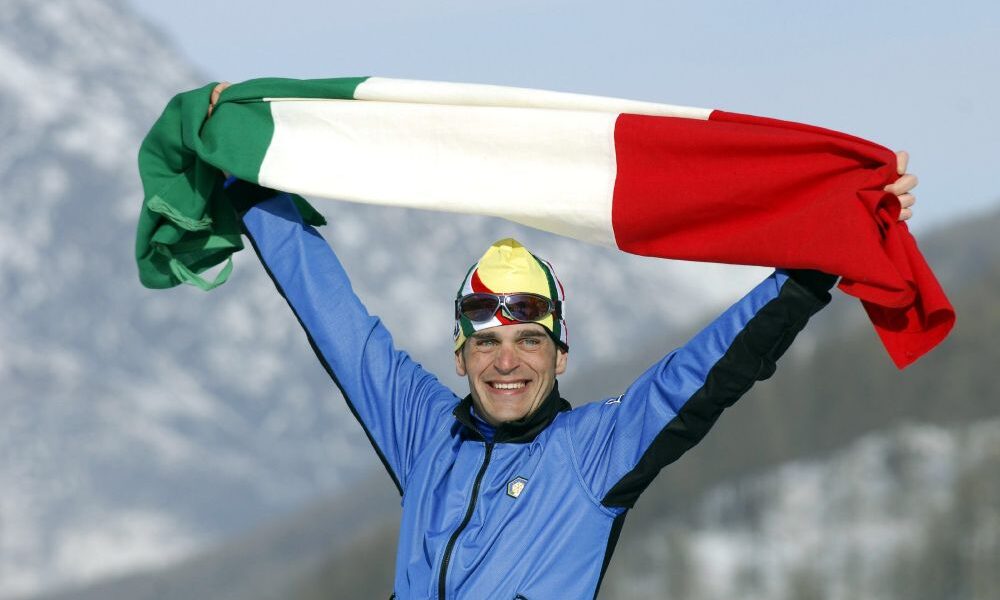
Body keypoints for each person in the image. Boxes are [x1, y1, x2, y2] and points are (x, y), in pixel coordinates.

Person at [213, 84, 918, 599]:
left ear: (560, 355)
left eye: (529, 340)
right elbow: (330, 312)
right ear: (459, 358)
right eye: (486, 343)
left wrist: (831, 245)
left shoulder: (594, 451)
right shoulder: (423, 433)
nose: (507, 361)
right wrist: (238, 166)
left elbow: (715, 364)